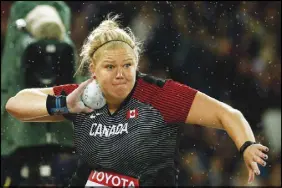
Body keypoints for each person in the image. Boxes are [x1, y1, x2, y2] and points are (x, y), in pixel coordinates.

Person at [5, 14, 269, 187]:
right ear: (93, 71)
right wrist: (63, 105)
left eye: (128, 65)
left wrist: (246, 145)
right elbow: (16, 104)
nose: (121, 74)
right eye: (110, 67)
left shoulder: (161, 95)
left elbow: (228, 114)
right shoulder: (82, 97)